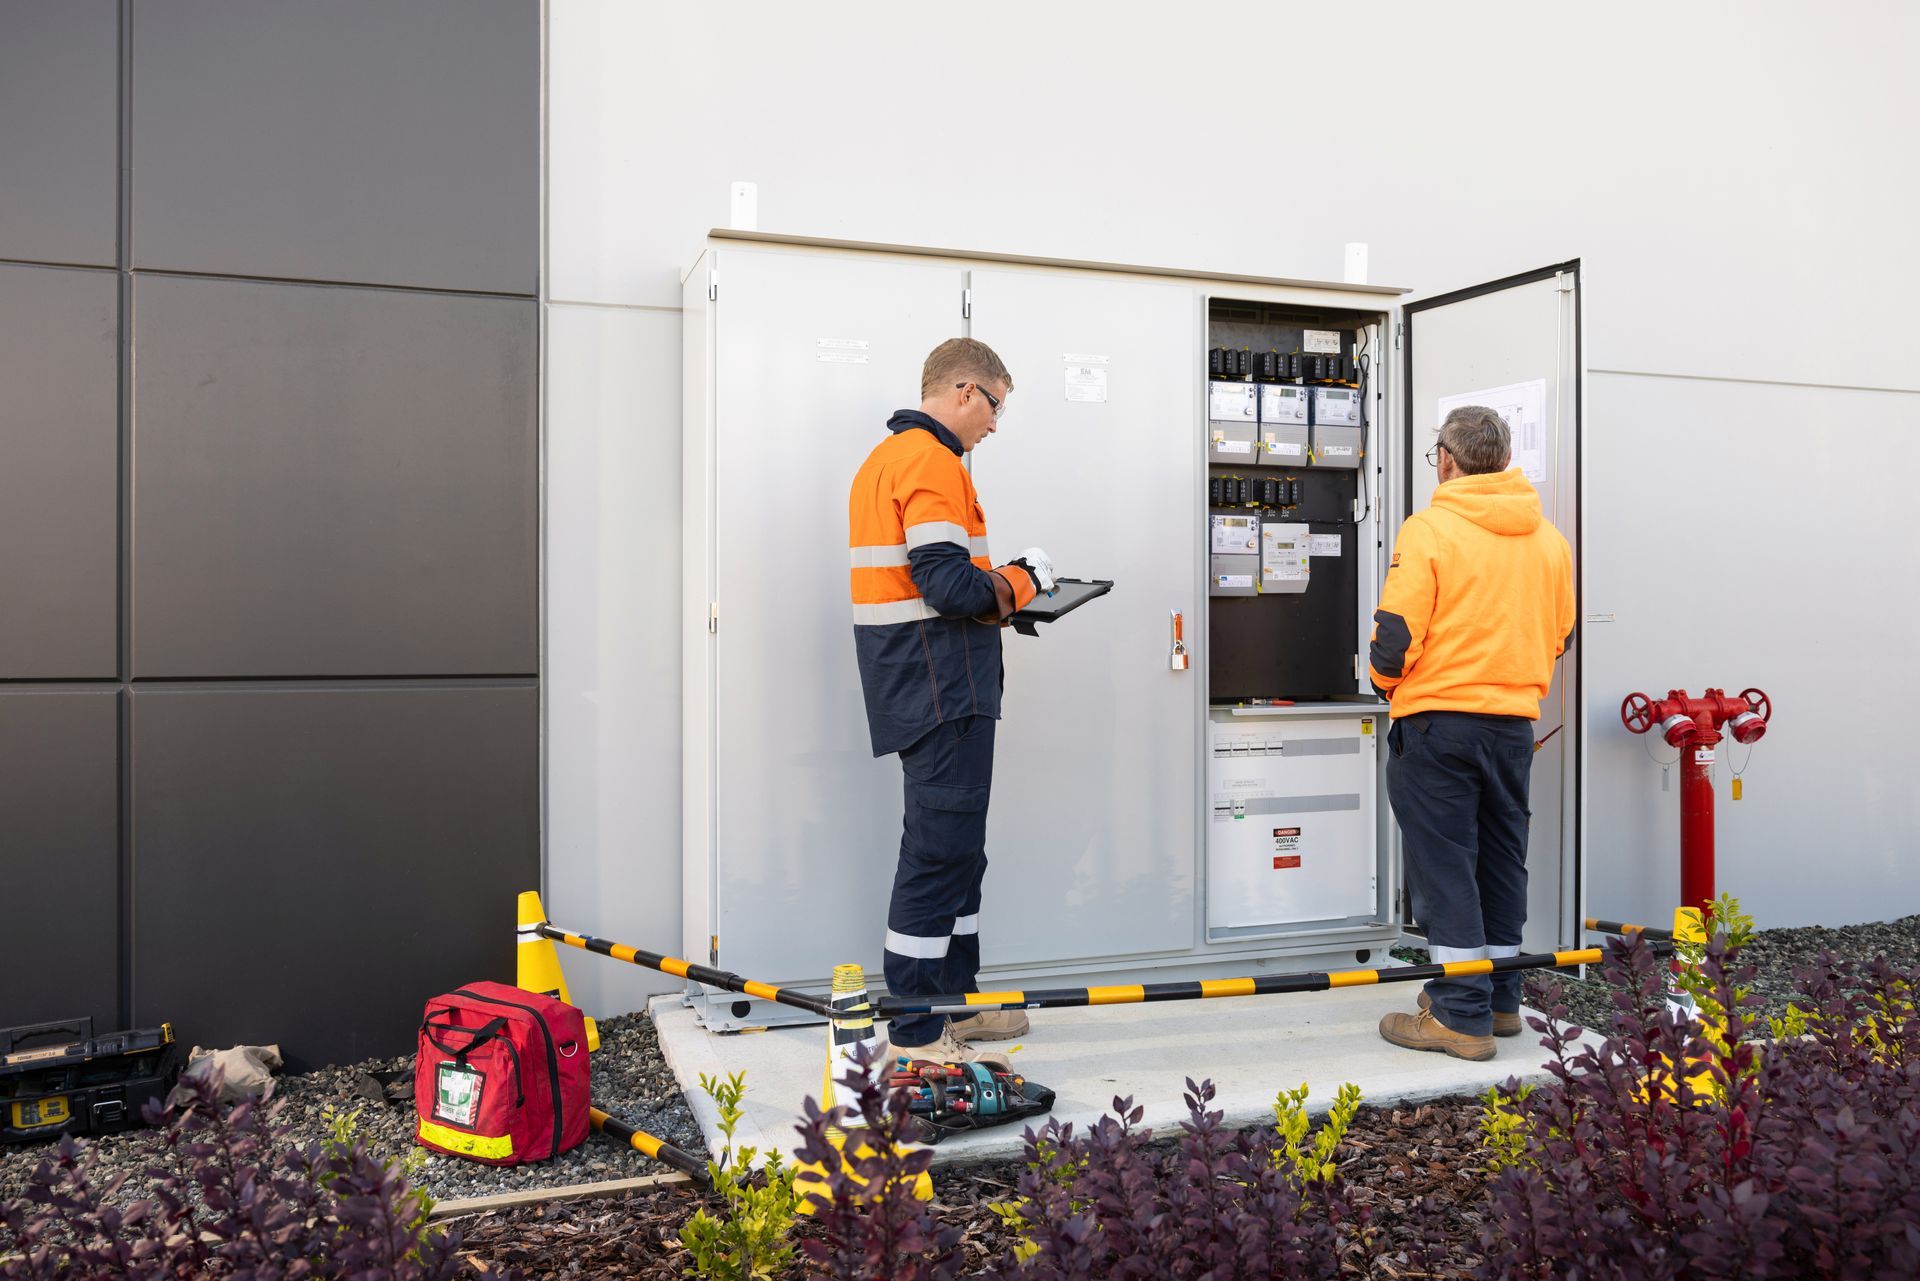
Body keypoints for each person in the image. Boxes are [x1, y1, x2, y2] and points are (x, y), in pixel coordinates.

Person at [848, 338, 1053, 1065]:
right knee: (939, 853)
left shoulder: (888, 460)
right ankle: (916, 1028)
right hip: (942, 685)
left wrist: (1004, 589)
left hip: (925, 679)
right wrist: (1023, 582)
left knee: (961, 851)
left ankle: (957, 1001)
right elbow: (948, 584)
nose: (995, 423)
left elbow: (933, 581)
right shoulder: (931, 461)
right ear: (965, 390)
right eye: (996, 406)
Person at [1368, 405, 1575, 1061]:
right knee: (1499, 860)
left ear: (1447, 460)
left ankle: (1459, 1015)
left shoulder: (1430, 529)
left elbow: (1395, 636)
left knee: (1445, 867)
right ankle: (1500, 1001)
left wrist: (1384, 686)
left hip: (1438, 727)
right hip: (1512, 727)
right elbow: (1561, 633)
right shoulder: (1548, 539)